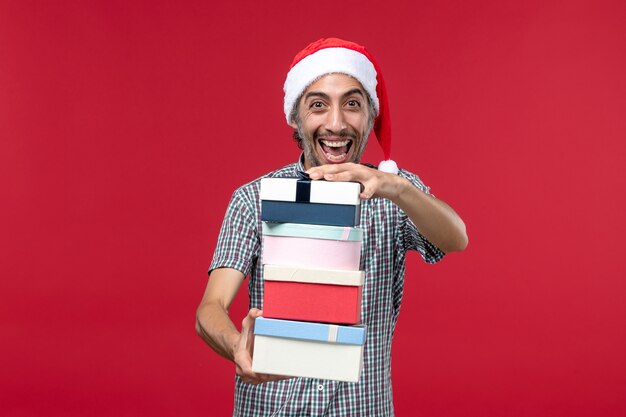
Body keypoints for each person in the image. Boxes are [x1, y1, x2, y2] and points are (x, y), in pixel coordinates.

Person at [196, 37, 468, 416]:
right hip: (273, 408)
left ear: (370, 115)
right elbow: (210, 307)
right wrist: (236, 344)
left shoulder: (394, 195)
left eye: (352, 104)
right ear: (296, 116)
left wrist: (399, 188)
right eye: (318, 105)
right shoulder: (252, 199)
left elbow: (456, 238)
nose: (336, 123)